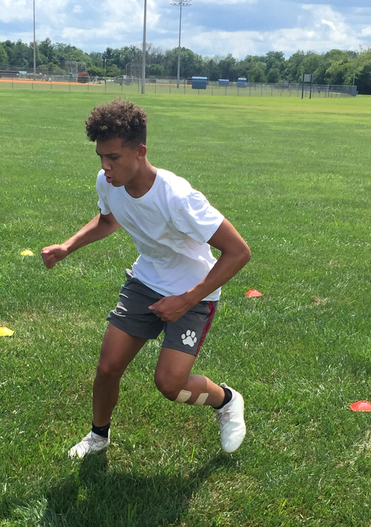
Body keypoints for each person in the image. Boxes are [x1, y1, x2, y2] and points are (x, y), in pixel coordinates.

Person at [41, 98, 251, 458]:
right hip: (145, 281)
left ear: (140, 152)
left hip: (193, 293)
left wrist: (186, 299)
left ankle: (226, 400)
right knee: (108, 367)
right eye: (100, 157)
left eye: (113, 157)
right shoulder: (108, 182)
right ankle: (98, 436)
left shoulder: (178, 197)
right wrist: (67, 246)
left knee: (170, 384)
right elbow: (108, 220)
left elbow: (239, 252)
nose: (105, 167)